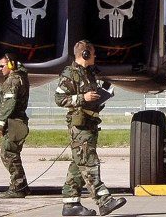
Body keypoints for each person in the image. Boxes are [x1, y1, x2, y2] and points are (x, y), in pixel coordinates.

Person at [54, 40, 125, 217]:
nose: (95, 56)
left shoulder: (89, 73)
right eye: (92, 53)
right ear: (85, 54)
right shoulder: (70, 74)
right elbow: (59, 98)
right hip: (80, 126)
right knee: (89, 162)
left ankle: (70, 204)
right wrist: (82, 97)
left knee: (79, 164)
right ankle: (104, 201)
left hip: (90, 123)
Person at [0, 51, 30, 198]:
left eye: (2, 65)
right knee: (12, 153)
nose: (0, 69)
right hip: (18, 121)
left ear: (10, 64)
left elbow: (9, 104)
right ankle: (22, 185)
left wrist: (0, 123)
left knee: (8, 154)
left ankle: (17, 187)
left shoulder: (12, 81)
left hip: (13, 121)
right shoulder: (22, 78)